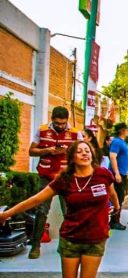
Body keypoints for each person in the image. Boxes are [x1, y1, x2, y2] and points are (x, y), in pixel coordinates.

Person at [0, 141, 120, 278]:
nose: (84, 154)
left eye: (87, 151)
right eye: (79, 151)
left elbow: (111, 192)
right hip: (71, 238)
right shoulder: (64, 180)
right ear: (72, 157)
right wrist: (7, 214)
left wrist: (116, 207)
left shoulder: (102, 174)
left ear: (92, 155)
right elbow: (37, 199)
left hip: (95, 238)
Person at [27, 106, 82, 259]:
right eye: (57, 123)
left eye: (63, 123)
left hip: (66, 177)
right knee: (41, 210)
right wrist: (48, 150)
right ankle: (35, 246)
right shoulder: (42, 130)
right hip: (45, 176)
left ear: (67, 121)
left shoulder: (76, 133)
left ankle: (67, 246)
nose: (60, 126)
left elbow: (83, 152)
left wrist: (68, 152)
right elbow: (31, 151)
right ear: (52, 120)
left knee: (69, 212)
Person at [108, 122, 128, 231]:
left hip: (122, 172)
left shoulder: (123, 142)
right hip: (118, 173)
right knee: (118, 197)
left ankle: (115, 220)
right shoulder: (117, 142)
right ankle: (114, 221)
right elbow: (112, 157)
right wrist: (116, 173)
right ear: (122, 130)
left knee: (120, 197)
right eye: (126, 129)